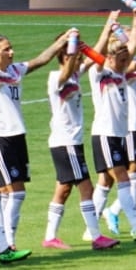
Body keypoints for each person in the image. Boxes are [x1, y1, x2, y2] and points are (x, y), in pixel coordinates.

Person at [0, 26, 74, 262]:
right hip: (0, 137)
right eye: (6, 49)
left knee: (9, 194)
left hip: (18, 136)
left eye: (11, 48)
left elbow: (41, 59)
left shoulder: (15, 70)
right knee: (15, 192)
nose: (12, 52)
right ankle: (7, 244)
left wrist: (62, 41)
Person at [41, 23, 118, 251]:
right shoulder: (56, 77)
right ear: (65, 56)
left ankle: (50, 237)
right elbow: (66, 73)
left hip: (70, 142)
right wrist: (73, 45)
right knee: (86, 188)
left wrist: (107, 28)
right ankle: (96, 236)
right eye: (73, 55)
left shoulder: (74, 76)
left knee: (63, 189)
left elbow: (97, 55)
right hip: (66, 143)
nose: (79, 59)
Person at [87, 16, 136, 243]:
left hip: (118, 135)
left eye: (126, 60)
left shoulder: (120, 73)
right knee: (123, 178)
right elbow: (96, 56)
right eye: (120, 60)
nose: (125, 64)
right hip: (105, 134)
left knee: (106, 182)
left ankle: (90, 230)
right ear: (109, 58)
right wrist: (107, 27)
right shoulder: (99, 74)